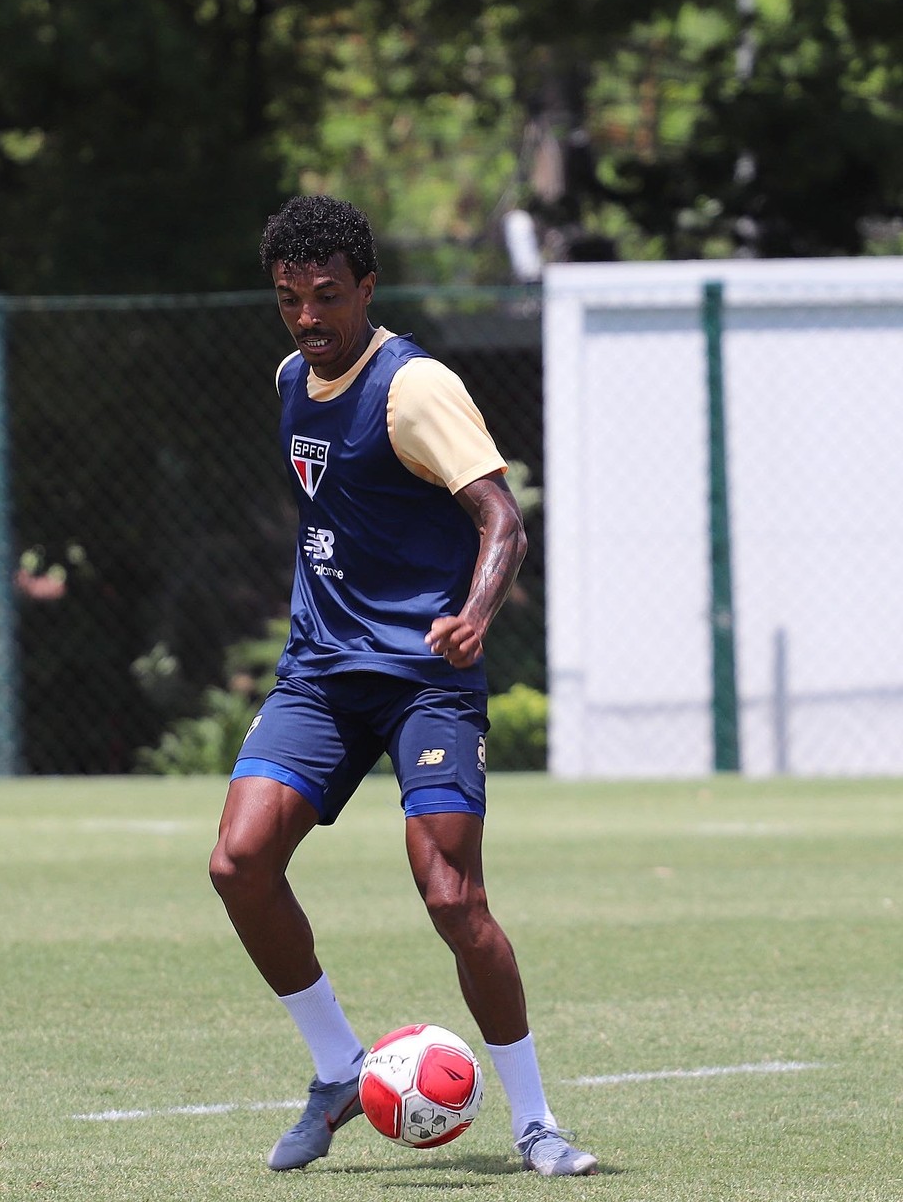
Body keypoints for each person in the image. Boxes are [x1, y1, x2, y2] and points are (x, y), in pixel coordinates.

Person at [208, 194, 598, 1177]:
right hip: (322, 673)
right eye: (289, 298)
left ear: (367, 288)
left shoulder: (414, 388)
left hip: (427, 675)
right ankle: (339, 1067)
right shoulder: (291, 378)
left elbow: (501, 518)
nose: (308, 316)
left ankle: (536, 1123)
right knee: (239, 861)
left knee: (452, 897)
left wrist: (474, 614)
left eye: (327, 294)